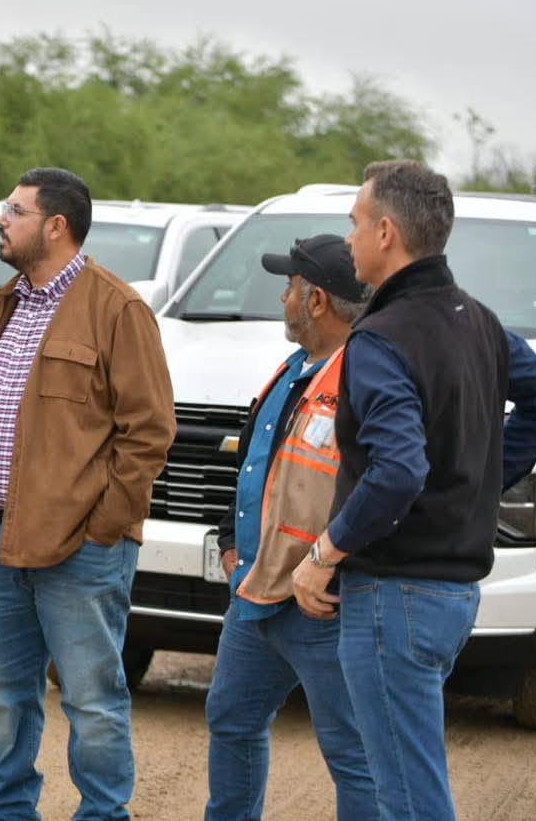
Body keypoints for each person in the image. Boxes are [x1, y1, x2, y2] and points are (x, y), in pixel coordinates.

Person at [291, 160, 536, 821]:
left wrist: (324, 553)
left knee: (409, 798)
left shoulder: (381, 338)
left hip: (396, 596)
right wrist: (479, 479)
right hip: (448, 596)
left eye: (356, 223)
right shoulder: (476, 319)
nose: (350, 237)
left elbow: (398, 469)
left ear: (386, 233)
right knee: (406, 782)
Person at [0, 166, 175, 821]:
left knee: (92, 702)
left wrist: (103, 528)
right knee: (3, 700)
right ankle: (9, 812)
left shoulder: (117, 309)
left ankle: (102, 815)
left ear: (56, 226)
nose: (1, 220)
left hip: (81, 551)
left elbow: (149, 431)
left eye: (15, 211)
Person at [205, 235, 377, 821]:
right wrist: (231, 542)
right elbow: (258, 464)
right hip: (257, 594)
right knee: (232, 719)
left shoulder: (368, 378)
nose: (283, 297)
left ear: (317, 301)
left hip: (321, 607)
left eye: (290, 287)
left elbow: (387, 487)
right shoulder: (294, 369)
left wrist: (332, 568)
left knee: (352, 753)